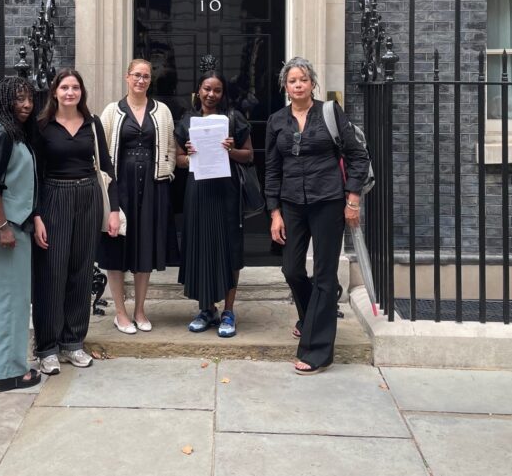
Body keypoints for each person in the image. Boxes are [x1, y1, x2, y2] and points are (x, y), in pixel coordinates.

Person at [266, 56, 370, 374]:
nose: (298, 85)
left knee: (325, 274)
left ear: (312, 83)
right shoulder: (276, 120)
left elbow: (357, 155)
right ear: (285, 86)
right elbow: (272, 168)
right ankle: (313, 314)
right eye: (292, 80)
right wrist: (274, 213)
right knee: (291, 269)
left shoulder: (329, 112)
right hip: (292, 204)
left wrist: (352, 199)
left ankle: (317, 350)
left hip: (328, 201)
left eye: (303, 80)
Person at [32, 68, 119, 374]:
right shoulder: (42, 127)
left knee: (81, 272)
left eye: (75, 88)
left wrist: (113, 210)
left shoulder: (93, 124)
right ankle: (47, 347)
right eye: (65, 87)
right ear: (55, 91)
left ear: (82, 92)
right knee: (51, 273)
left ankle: (73, 343)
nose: (70, 92)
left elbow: (106, 167)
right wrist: (37, 216)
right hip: (54, 197)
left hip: (88, 197)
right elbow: (35, 176)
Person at [98, 59, 178, 334]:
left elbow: (169, 146)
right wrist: (109, 194)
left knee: (145, 249)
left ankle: (140, 310)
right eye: (136, 75)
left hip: (153, 188)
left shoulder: (162, 111)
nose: (141, 80)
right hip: (120, 188)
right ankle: (120, 312)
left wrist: (167, 173)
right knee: (117, 249)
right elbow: (101, 153)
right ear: (127, 77)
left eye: (145, 76)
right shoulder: (112, 111)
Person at [175, 65, 254, 338]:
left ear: (223, 93)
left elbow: (249, 155)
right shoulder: (187, 121)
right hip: (198, 192)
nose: (211, 94)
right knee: (201, 246)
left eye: (217, 90)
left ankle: (229, 311)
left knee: (229, 247)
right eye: (207, 89)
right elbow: (178, 161)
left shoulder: (234, 119)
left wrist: (232, 151)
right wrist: (188, 154)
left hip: (226, 192)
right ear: (198, 90)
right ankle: (206, 308)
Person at [0, 76, 41, 391]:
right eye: (19, 98)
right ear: (5, 100)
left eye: (29, 98)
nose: (26, 104)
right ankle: (11, 372)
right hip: (8, 229)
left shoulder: (10, 132)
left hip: (11, 225)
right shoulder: (3, 133)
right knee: (10, 302)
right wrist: (4, 228)